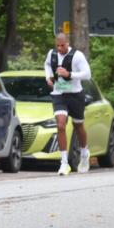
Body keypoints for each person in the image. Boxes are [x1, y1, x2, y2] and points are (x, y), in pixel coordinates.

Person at [43, 32, 91, 176]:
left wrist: (69, 74)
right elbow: (47, 65)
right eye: (57, 45)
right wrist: (48, 77)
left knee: (78, 125)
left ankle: (84, 153)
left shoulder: (77, 56)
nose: (59, 48)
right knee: (60, 125)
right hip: (59, 94)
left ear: (68, 43)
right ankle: (64, 163)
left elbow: (87, 74)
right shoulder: (51, 54)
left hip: (75, 94)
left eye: (62, 45)